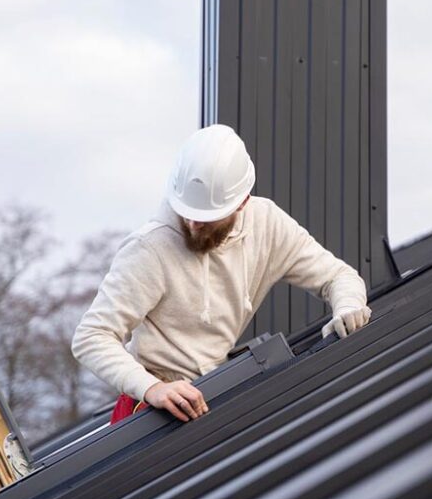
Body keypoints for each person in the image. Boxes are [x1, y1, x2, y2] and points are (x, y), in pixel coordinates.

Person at [72, 124, 371, 424]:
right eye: (186, 213)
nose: (192, 225)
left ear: (241, 203)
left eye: (205, 219)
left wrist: (348, 307)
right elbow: (92, 336)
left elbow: (338, 276)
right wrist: (153, 388)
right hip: (148, 409)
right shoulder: (149, 248)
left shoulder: (267, 225)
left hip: (210, 396)